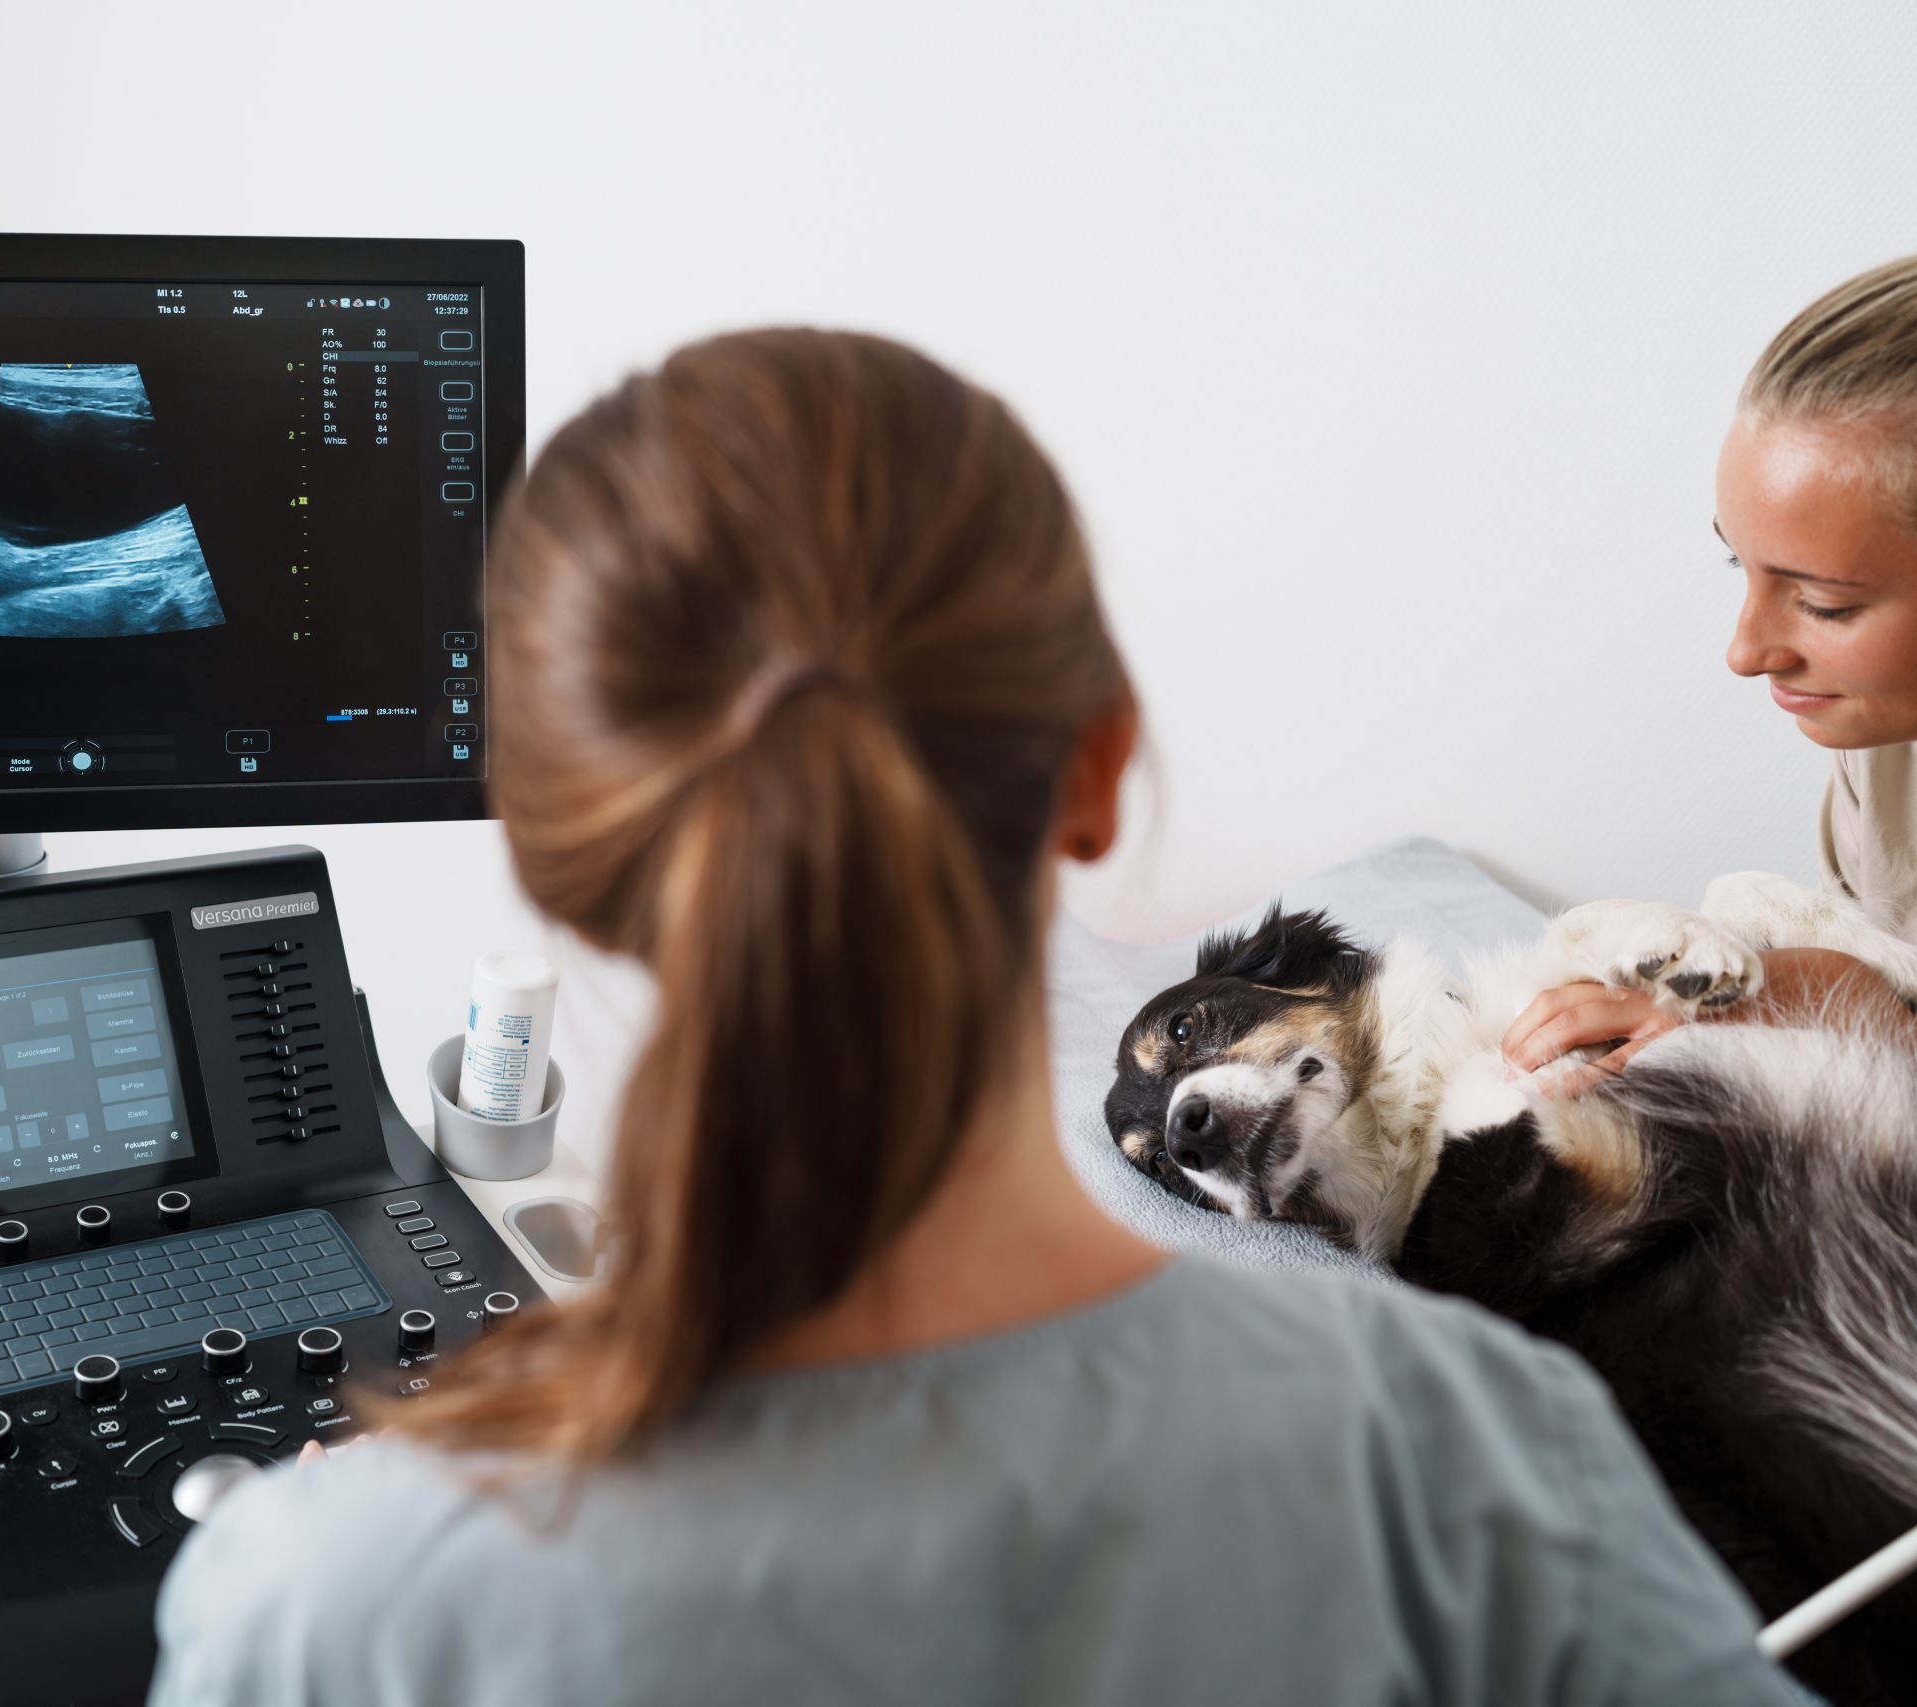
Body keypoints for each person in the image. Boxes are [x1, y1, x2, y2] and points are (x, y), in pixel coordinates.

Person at [150, 330, 1795, 1706]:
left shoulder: (319, 1611)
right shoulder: (1463, 1454)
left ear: (567, 858)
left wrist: (345, 1537)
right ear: (1096, 767)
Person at [1506, 255, 1917, 1081]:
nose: (1745, 652)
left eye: (1825, 605)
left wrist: (1840, 996)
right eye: (1742, 566)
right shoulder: (1878, 741)